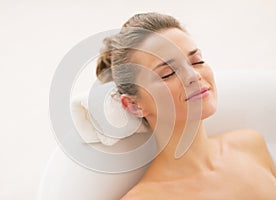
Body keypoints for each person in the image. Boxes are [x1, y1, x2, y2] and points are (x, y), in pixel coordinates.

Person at [96, 12, 276, 199]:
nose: (193, 75)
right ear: (134, 105)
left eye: (196, 61)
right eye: (168, 73)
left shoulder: (250, 145)